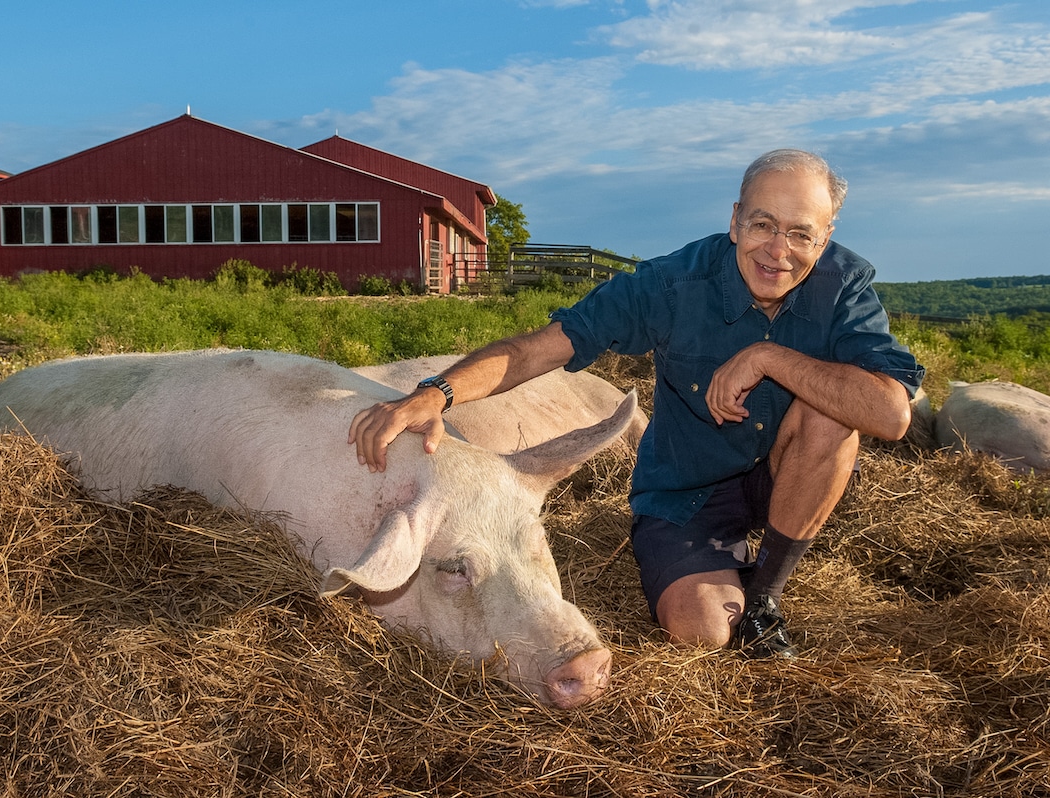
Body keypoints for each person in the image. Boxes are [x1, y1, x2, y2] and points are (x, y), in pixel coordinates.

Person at [348, 149, 924, 658]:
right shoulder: (671, 286)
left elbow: (891, 414)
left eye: (801, 233)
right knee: (701, 633)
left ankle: (765, 595)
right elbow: (536, 351)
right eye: (762, 224)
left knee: (831, 412)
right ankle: (717, 571)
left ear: (825, 237)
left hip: (783, 470)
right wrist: (436, 393)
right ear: (733, 221)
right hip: (686, 492)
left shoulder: (844, 286)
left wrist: (768, 359)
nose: (779, 250)